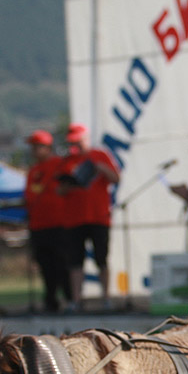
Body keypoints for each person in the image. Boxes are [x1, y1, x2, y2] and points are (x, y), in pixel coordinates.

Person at [62, 123, 120, 311]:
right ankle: (76, 300)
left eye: (78, 142)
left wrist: (101, 168)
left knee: (101, 258)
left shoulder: (100, 155)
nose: (75, 146)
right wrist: (71, 183)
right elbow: (59, 189)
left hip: (98, 217)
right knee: (75, 261)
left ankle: (106, 297)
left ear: (85, 139)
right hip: (74, 219)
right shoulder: (67, 161)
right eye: (73, 143)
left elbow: (115, 178)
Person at [23, 129, 73, 312]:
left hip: (58, 223)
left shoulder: (59, 165)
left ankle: (70, 299)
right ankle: (50, 301)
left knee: (62, 263)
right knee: (45, 265)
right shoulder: (33, 170)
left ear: (47, 147)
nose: (34, 151)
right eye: (33, 147)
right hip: (38, 224)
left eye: (37, 147)